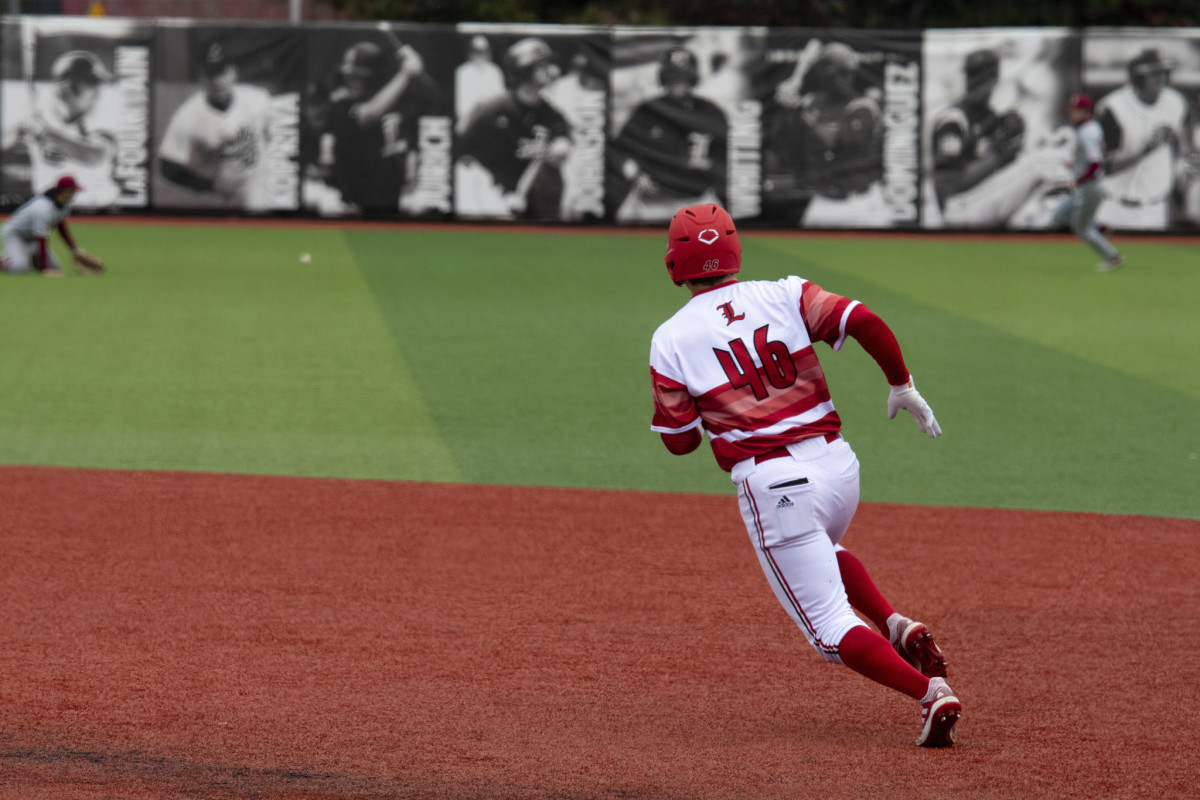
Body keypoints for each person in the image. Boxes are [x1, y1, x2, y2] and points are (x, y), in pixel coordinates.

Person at [648, 203, 961, 748]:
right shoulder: (784, 292)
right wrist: (900, 383)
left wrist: (707, 410)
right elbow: (862, 319)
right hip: (838, 468)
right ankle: (895, 625)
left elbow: (680, 443)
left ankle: (930, 693)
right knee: (822, 552)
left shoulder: (670, 338)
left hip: (774, 484)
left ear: (675, 262)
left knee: (829, 630)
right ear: (732, 250)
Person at [761, 40, 884, 226]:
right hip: (824, 200)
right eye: (839, 74)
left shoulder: (864, 107)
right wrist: (784, 110)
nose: (846, 79)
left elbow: (843, 142)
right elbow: (785, 145)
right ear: (823, 76)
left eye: (849, 72)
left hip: (863, 203)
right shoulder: (812, 103)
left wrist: (801, 114)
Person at [929, 48, 1055, 227]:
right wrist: (999, 154)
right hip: (958, 207)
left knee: (1043, 160)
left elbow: (1003, 167)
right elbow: (949, 183)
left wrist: (1013, 148)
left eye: (982, 76)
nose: (976, 82)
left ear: (994, 79)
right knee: (1043, 164)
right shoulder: (954, 119)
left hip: (979, 201)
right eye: (973, 75)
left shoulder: (990, 117)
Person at [320, 40, 447, 214]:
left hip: (391, 202)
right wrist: (405, 74)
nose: (350, 81)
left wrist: (417, 68)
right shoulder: (341, 106)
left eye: (357, 76)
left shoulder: (399, 102)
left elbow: (439, 98)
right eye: (348, 76)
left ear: (374, 78)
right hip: (352, 206)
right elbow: (368, 115)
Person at [607, 46, 729, 222]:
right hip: (651, 202)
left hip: (697, 202)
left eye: (682, 77)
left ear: (692, 78)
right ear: (663, 77)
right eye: (671, 76)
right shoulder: (649, 110)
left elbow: (725, 158)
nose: (676, 82)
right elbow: (617, 150)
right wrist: (633, 172)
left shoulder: (710, 112)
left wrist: (709, 168)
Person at [455, 37, 572, 220]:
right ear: (524, 68)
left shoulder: (551, 114)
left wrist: (549, 152)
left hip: (530, 202)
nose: (550, 70)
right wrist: (489, 195)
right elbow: (463, 151)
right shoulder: (493, 109)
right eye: (542, 65)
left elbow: (562, 149)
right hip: (489, 198)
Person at [157, 42, 273, 210]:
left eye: (222, 72)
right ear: (201, 78)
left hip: (263, 181)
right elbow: (167, 167)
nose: (217, 81)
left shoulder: (258, 100)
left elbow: (283, 136)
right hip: (227, 192)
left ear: (234, 73)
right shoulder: (188, 115)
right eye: (210, 74)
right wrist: (209, 185)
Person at [1095, 48, 1198, 230]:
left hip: (1156, 208)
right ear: (1137, 78)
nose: (1162, 79)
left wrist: (1185, 182)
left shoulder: (1176, 102)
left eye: (1164, 73)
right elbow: (1106, 166)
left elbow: (1188, 151)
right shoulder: (1113, 107)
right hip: (1114, 207)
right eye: (1154, 74)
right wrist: (1147, 149)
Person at [3, 50, 121, 208]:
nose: (97, 91)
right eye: (90, 83)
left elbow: (97, 156)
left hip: (100, 209)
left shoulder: (99, 116)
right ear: (66, 87)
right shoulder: (40, 115)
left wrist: (48, 134)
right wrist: (19, 130)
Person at [1053, 94, 1123, 272]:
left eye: (1076, 109)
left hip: (1090, 186)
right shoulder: (1089, 127)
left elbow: (1095, 163)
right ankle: (1099, 227)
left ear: (1085, 111)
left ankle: (1112, 257)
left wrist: (1078, 180)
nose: (1071, 112)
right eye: (1071, 108)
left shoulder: (1087, 132)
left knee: (1082, 228)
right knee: (1059, 216)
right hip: (1088, 185)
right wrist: (1076, 163)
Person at [1, 175, 103, 276]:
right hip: (15, 234)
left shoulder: (65, 205)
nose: (74, 194)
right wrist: (45, 269)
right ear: (65, 191)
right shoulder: (43, 207)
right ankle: (4, 260)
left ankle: (27, 257)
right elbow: (41, 238)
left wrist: (74, 249)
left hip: (31, 236)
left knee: (54, 267)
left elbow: (61, 227)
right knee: (19, 269)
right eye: (72, 191)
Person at [454, 35, 506, 136]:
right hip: (470, 119)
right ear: (471, 52)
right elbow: (462, 105)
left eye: (483, 51)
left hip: (491, 118)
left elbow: (500, 99)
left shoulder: (495, 71)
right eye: (476, 51)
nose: (480, 55)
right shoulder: (463, 72)